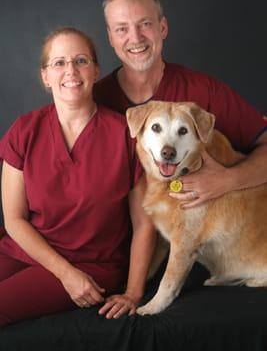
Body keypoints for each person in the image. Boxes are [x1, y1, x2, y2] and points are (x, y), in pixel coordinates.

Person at [0, 27, 156, 327]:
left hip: (90, 266)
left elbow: (143, 224)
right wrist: (63, 273)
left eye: (81, 60)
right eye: (59, 63)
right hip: (25, 251)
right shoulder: (24, 130)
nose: (70, 70)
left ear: (96, 70)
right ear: (45, 76)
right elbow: (14, 220)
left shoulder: (126, 136)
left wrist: (134, 293)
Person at [94, 0, 267, 208]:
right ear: (110, 37)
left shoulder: (204, 91)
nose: (135, 38)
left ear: (162, 27)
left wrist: (227, 180)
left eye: (145, 24)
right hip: (121, 240)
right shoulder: (95, 100)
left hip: (198, 233)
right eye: (122, 29)